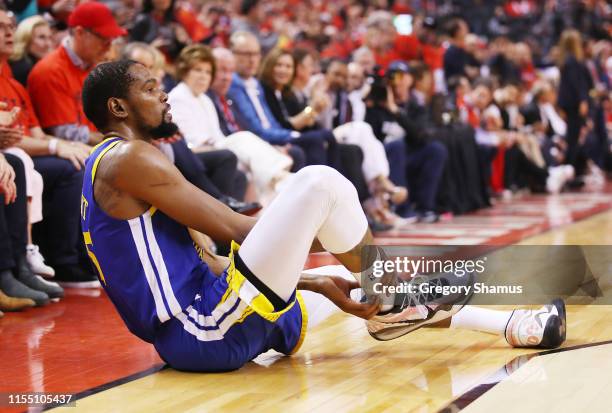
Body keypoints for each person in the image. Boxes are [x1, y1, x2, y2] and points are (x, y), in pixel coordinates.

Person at [80, 60, 566, 372]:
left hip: (208, 317)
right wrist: (325, 234)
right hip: (201, 328)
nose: (163, 94)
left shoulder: (119, 163)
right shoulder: (130, 160)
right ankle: (390, 296)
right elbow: (233, 231)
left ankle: (513, 326)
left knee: (341, 273)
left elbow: (212, 260)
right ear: (118, 106)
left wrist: (317, 274)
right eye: (149, 88)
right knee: (320, 182)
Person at [0, 8, 93, 288]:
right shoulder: (38, 72)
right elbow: (17, 139)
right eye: (1, 26)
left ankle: (82, 256)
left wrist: (66, 145)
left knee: (86, 160)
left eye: (11, 25)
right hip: (18, 156)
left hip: (21, 155)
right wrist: (56, 146)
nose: (8, 32)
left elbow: (34, 132)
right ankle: (54, 261)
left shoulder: (14, 82)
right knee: (66, 169)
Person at [168, 44, 293, 201]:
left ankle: (268, 202)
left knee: (249, 169)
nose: (203, 76)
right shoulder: (178, 96)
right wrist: (224, 144)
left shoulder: (205, 99)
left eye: (207, 72)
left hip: (214, 144)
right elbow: (190, 138)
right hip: (195, 151)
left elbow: (217, 134)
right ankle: (279, 176)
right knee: (242, 139)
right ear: (185, 72)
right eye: (198, 70)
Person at [27, 1, 126, 145]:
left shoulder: (93, 65)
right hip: (71, 154)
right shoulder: (50, 70)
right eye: (104, 39)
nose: (109, 47)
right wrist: (121, 140)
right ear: (80, 33)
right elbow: (65, 133)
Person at [9, 15, 54, 86]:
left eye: (50, 38)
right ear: (25, 39)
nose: (48, 44)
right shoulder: (23, 69)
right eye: (41, 37)